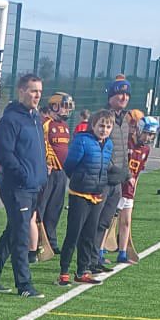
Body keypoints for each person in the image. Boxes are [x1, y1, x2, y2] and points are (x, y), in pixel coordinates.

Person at [0, 73, 47, 298]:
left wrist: (40, 174)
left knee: (13, 231)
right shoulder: (10, 120)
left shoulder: (35, 118)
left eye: (39, 91)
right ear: (21, 91)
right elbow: (5, 154)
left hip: (34, 186)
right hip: (17, 186)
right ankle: (24, 285)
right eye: (33, 90)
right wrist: (23, 175)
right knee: (21, 235)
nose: (37, 95)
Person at [59, 109, 115, 283]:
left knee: (89, 235)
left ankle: (82, 270)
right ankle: (64, 272)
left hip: (97, 194)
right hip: (80, 194)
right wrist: (80, 180)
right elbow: (69, 164)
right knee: (73, 234)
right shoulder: (82, 140)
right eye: (101, 126)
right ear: (93, 125)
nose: (104, 129)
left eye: (107, 126)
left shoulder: (109, 144)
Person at [94, 77, 135, 271]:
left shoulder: (125, 121)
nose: (123, 97)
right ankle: (94, 255)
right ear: (111, 95)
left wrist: (127, 175)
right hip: (103, 177)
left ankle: (98, 255)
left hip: (117, 179)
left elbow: (124, 150)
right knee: (96, 218)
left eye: (126, 94)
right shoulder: (102, 117)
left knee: (107, 219)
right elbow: (99, 147)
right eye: (120, 93)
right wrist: (110, 169)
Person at [34, 92, 72, 263]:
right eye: (64, 105)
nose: (67, 109)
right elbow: (41, 145)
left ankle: (51, 240)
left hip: (61, 173)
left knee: (55, 209)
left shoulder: (64, 125)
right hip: (48, 173)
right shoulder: (46, 124)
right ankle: (37, 242)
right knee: (41, 207)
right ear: (55, 105)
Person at [114, 114, 153, 263]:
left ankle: (122, 253)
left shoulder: (146, 150)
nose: (149, 137)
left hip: (129, 191)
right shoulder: (126, 143)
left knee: (126, 222)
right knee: (110, 222)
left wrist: (134, 189)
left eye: (152, 135)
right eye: (148, 133)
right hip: (118, 188)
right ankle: (100, 252)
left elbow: (138, 174)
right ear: (139, 130)